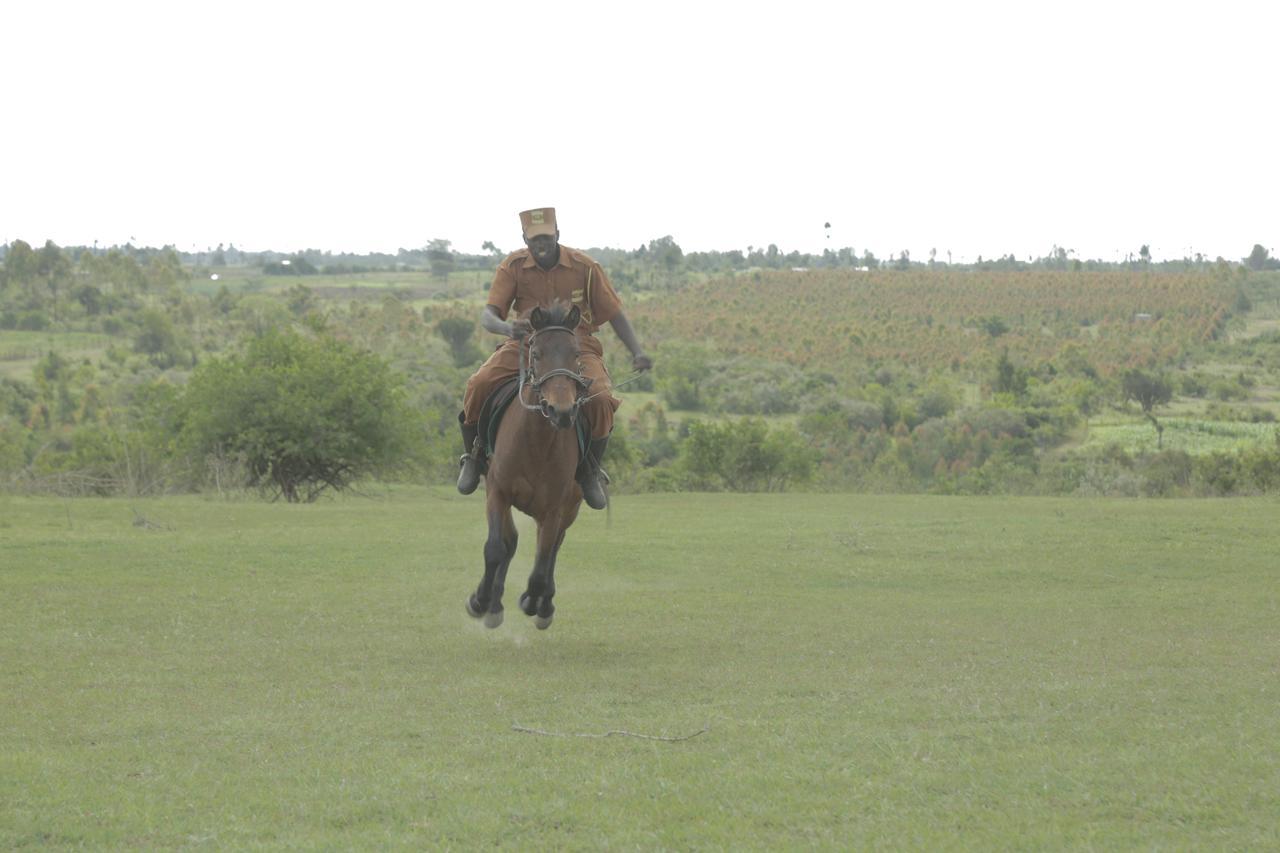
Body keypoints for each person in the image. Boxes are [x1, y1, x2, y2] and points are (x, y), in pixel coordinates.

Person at [457, 207, 652, 508]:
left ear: (558, 234)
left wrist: (637, 351)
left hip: (577, 346)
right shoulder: (513, 266)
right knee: (478, 384)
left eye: (547, 237)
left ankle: (589, 470)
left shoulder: (585, 267)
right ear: (525, 238)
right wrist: (507, 327)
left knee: (600, 399)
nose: (541, 244)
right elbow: (488, 314)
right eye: (535, 239)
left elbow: (614, 313)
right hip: (526, 344)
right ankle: (474, 455)